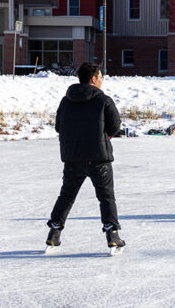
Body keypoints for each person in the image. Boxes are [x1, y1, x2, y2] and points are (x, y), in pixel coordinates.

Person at [46, 62, 125, 252]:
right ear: (93, 79)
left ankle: (54, 232)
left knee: (66, 197)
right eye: (100, 77)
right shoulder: (103, 100)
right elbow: (115, 127)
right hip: (99, 159)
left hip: (73, 158)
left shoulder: (66, 101)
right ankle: (112, 234)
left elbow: (58, 127)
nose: (102, 81)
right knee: (106, 197)